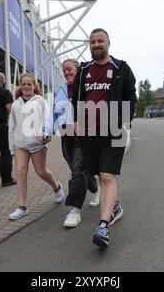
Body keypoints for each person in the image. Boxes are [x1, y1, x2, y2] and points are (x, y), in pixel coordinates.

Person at [72, 28, 136, 248]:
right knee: (100, 174)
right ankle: (114, 208)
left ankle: (102, 226)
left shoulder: (121, 68)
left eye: (100, 41)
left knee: (107, 176)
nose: (96, 45)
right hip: (89, 134)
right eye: (92, 42)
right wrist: (78, 122)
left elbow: (131, 97)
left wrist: (126, 123)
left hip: (113, 131)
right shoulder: (83, 71)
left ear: (109, 43)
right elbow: (77, 100)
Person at [42, 59, 99, 228]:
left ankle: (75, 210)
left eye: (69, 69)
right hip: (66, 134)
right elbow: (53, 113)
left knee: (78, 170)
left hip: (83, 133)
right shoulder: (61, 90)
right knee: (78, 168)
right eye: (64, 70)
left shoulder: (87, 87)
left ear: (78, 70)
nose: (66, 73)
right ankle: (96, 190)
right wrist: (46, 131)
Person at [8, 73, 64, 220]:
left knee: (41, 172)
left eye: (29, 84)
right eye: (24, 84)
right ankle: (22, 207)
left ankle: (56, 186)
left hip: (37, 143)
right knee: (20, 172)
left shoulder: (40, 101)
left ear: (34, 86)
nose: (26, 87)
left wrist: (47, 135)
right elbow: (12, 126)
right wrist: (11, 147)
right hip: (19, 144)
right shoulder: (16, 104)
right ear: (20, 86)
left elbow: (48, 119)